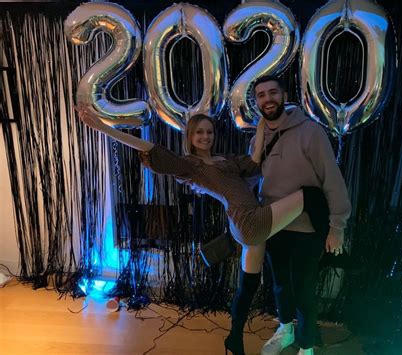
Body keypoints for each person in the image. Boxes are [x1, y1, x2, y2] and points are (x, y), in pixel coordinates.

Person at [75, 106, 328, 355]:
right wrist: (103, 128)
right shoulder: (190, 165)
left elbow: (253, 163)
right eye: (199, 133)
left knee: (247, 285)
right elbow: (150, 149)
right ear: (191, 137)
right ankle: (327, 247)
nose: (205, 137)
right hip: (249, 221)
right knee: (312, 196)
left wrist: (262, 126)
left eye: (209, 132)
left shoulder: (225, 160)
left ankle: (234, 340)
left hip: (244, 221)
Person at [250, 75, 351, 355]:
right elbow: (252, 177)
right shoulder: (258, 137)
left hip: (307, 228)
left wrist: (337, 226)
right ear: (256, 101)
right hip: (273, 225)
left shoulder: (310, 132)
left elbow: (332, 179)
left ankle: (306, 345)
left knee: (304, 290)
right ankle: (286, 329)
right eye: (261, 95)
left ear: (283, 95)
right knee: (281, 284)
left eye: (272, 92)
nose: (267, 99)